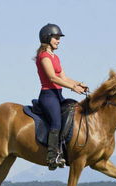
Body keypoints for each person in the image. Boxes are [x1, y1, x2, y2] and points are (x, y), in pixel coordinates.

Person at [35, 23, 87, 170]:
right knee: (56, 123)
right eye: (56, 37)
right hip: (48, 95)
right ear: (47, 38)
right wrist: (72, 87)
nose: (58, 40)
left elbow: (63, 77)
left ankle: (65, 149)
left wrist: (79, 84)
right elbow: (52, 78)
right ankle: (52, 156)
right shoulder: (44, 56)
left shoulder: (55, 57)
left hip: (58, 95)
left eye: (59, 38)